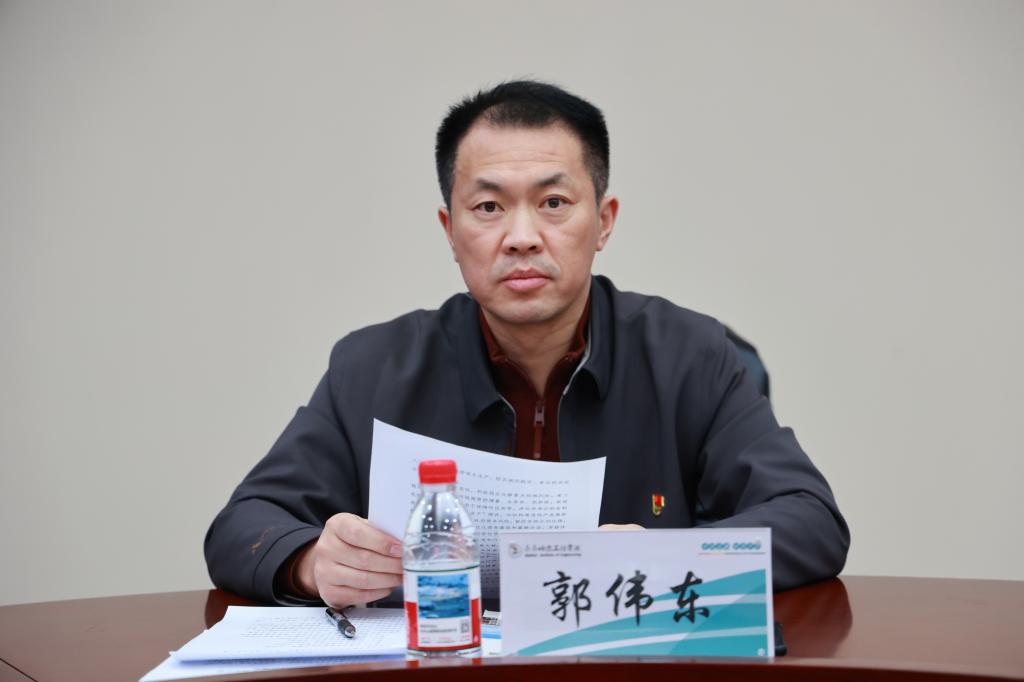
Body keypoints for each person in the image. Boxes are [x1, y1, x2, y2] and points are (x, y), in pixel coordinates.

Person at [204, 80, 849, 608]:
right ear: (450, 230)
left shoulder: (689, 355)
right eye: (488, 208)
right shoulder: (373, 368)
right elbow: (243, 525)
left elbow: (811, 521)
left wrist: (662, 558)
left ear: (604, 222)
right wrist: (310, 562)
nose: (521, 236)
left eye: (554, 202)